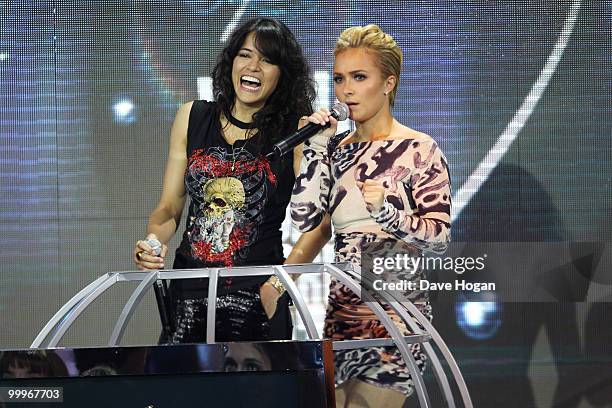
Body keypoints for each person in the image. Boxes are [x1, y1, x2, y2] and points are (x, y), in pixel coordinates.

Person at [133, 17, 331, 343]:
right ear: (231, 61)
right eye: (245, 55)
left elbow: (320, 225)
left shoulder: (294, 134)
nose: (253, 67)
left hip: (257, 298)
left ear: (282, 76)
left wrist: (277, 287)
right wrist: (152, 243)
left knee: (258, 394)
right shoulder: (192, 117)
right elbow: (169, 208)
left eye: (268, 60)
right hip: (188, 296)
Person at [291, 25, 451, 407]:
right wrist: (314, 150)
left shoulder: (419, 149)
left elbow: (440, 239)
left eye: (359, 77)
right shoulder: (335, 150)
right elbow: (304, 218)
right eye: (339, 79)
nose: (346, 90)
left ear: (388, 83)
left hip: (396, 315)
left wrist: (389, 214)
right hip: (341, 316)